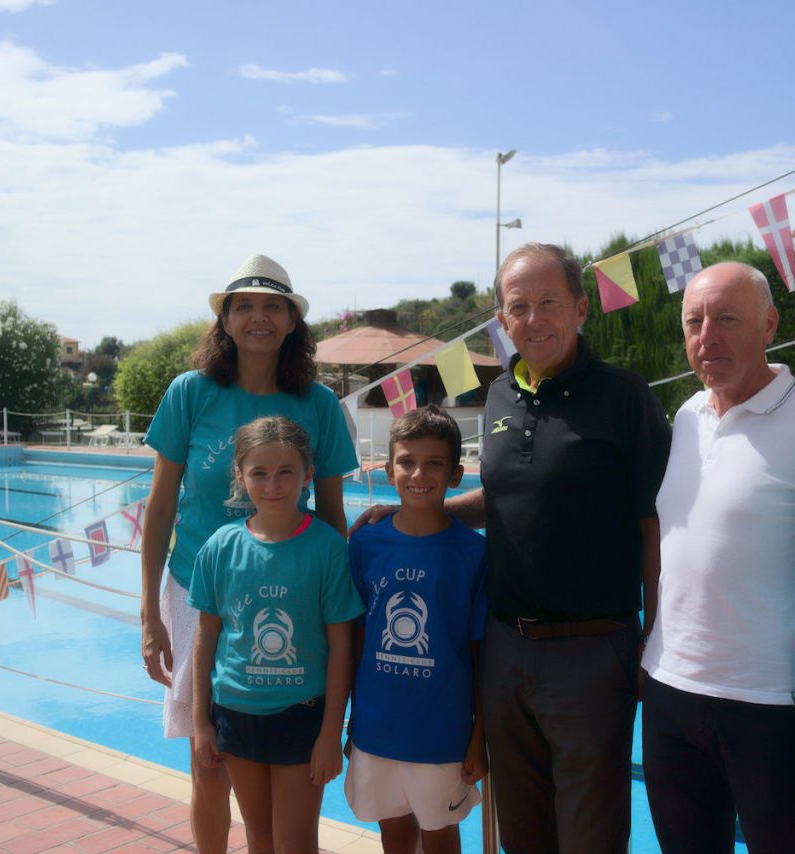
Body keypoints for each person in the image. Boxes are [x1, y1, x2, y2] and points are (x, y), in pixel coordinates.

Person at [355, 243, 671, 852]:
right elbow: (501, 500)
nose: (533, 319)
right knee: (521, 830)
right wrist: (423, 509)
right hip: (504, 649)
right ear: (502, 321)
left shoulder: (623, 397)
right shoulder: (500, 396)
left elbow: (654, 526)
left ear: (581, 308)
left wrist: (651, 638)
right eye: (518, 307)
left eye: (548, 302)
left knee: (590, 831)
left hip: (591, 649)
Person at [140, 253, 359, 852]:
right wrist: (149, 613)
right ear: (226, 321)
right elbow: (159, 509)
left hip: (294, 592)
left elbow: (334, 517)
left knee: (289, 746)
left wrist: (344, 617)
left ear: (292, 322)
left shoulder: (317, 404)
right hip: (196, 595)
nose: (257, 317)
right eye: (244, 306)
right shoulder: (191, 394)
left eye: (272, 306)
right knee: (207, 760)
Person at [640, 261, 795, 852]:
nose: (707, 335)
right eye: (694, 321)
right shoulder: (687, 417)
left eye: (727, 318)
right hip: (668, 688)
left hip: (769, 703)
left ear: (768, 325)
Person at [188, 416, 364, 853]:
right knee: (259, 839)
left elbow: (342, 643)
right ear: (240, 476)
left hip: (300, 715)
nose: (273, 485)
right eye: (259, 473)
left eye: (286, 472)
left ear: (308, 475)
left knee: (296, 844)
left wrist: (330, 732)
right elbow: (206, 636)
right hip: (235, 711)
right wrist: (199, 722)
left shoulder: (326, 548)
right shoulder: (221, 547)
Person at [344, 404, 489, 854]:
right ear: (389, 470)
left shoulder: (473, 553)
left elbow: (483, 654)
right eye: (407, 462)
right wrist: (351, 725)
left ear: (456, 474)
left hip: (443, 732)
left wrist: (478, 737)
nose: (418, 473)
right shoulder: (367, 543)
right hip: (376, 728)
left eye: (434, 463)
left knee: (441, 835)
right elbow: (353, 640)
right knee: (393, 831)